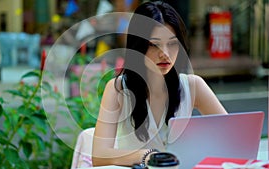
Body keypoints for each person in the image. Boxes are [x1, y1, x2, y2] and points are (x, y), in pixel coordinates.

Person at [92, 0, 228, 167]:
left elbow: (230, 137)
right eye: (154, 45)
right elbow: (99, 155)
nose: (165, 53)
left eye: (172, 43)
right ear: (138, 46)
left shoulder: (193, 85)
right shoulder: (118, 89)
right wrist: (146, 156)